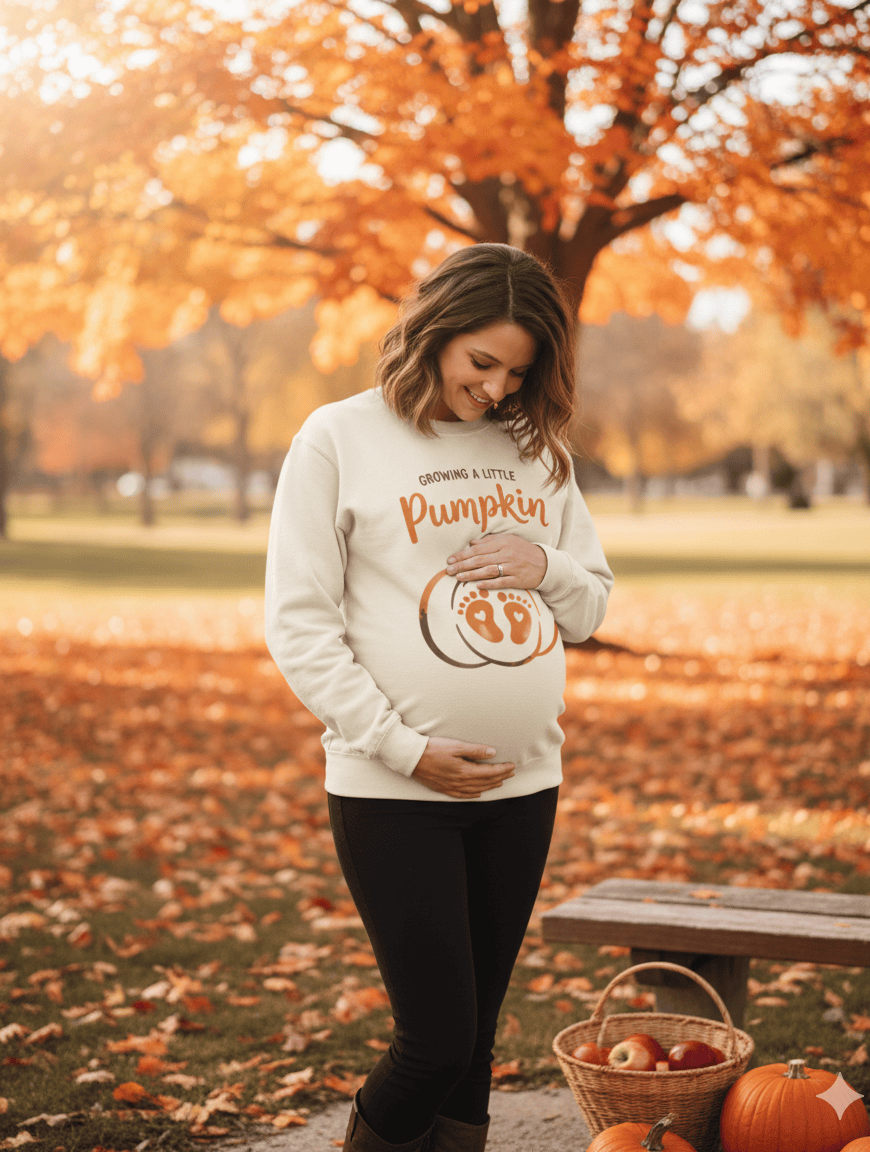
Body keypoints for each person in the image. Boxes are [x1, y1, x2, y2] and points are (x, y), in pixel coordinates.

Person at [265, 243, 613, 1152]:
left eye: (520, 370)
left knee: (476, 1045)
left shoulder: (538, 451)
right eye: (482, 362)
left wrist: (546, 564)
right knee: (434, 1042)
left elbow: (592, 604)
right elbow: (299, 624)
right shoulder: (338, 437)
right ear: (434, 335)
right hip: (396, 790)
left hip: (523, 783)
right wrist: (402, 746)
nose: (499, 388)